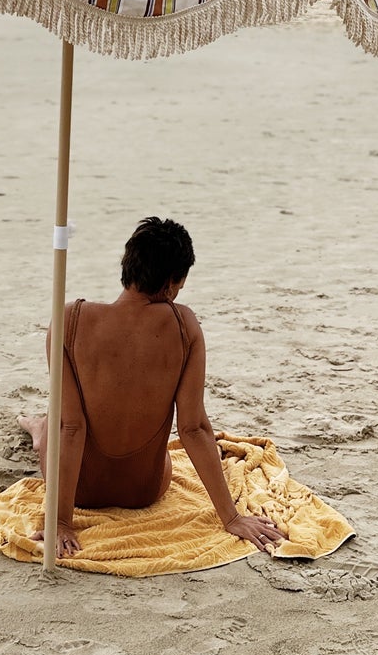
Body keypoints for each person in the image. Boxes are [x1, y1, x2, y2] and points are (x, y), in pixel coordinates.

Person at [17, 216, 287, 560]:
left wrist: (61, 522)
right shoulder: (184, 325)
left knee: (56, 421)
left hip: (81, 491)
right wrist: (231, 518)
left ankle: (38, 429)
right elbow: (193, 428)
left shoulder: (69, 319)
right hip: (144, 490)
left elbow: (72, 428)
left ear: (127, 264)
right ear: (173, 283)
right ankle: (40, 427)